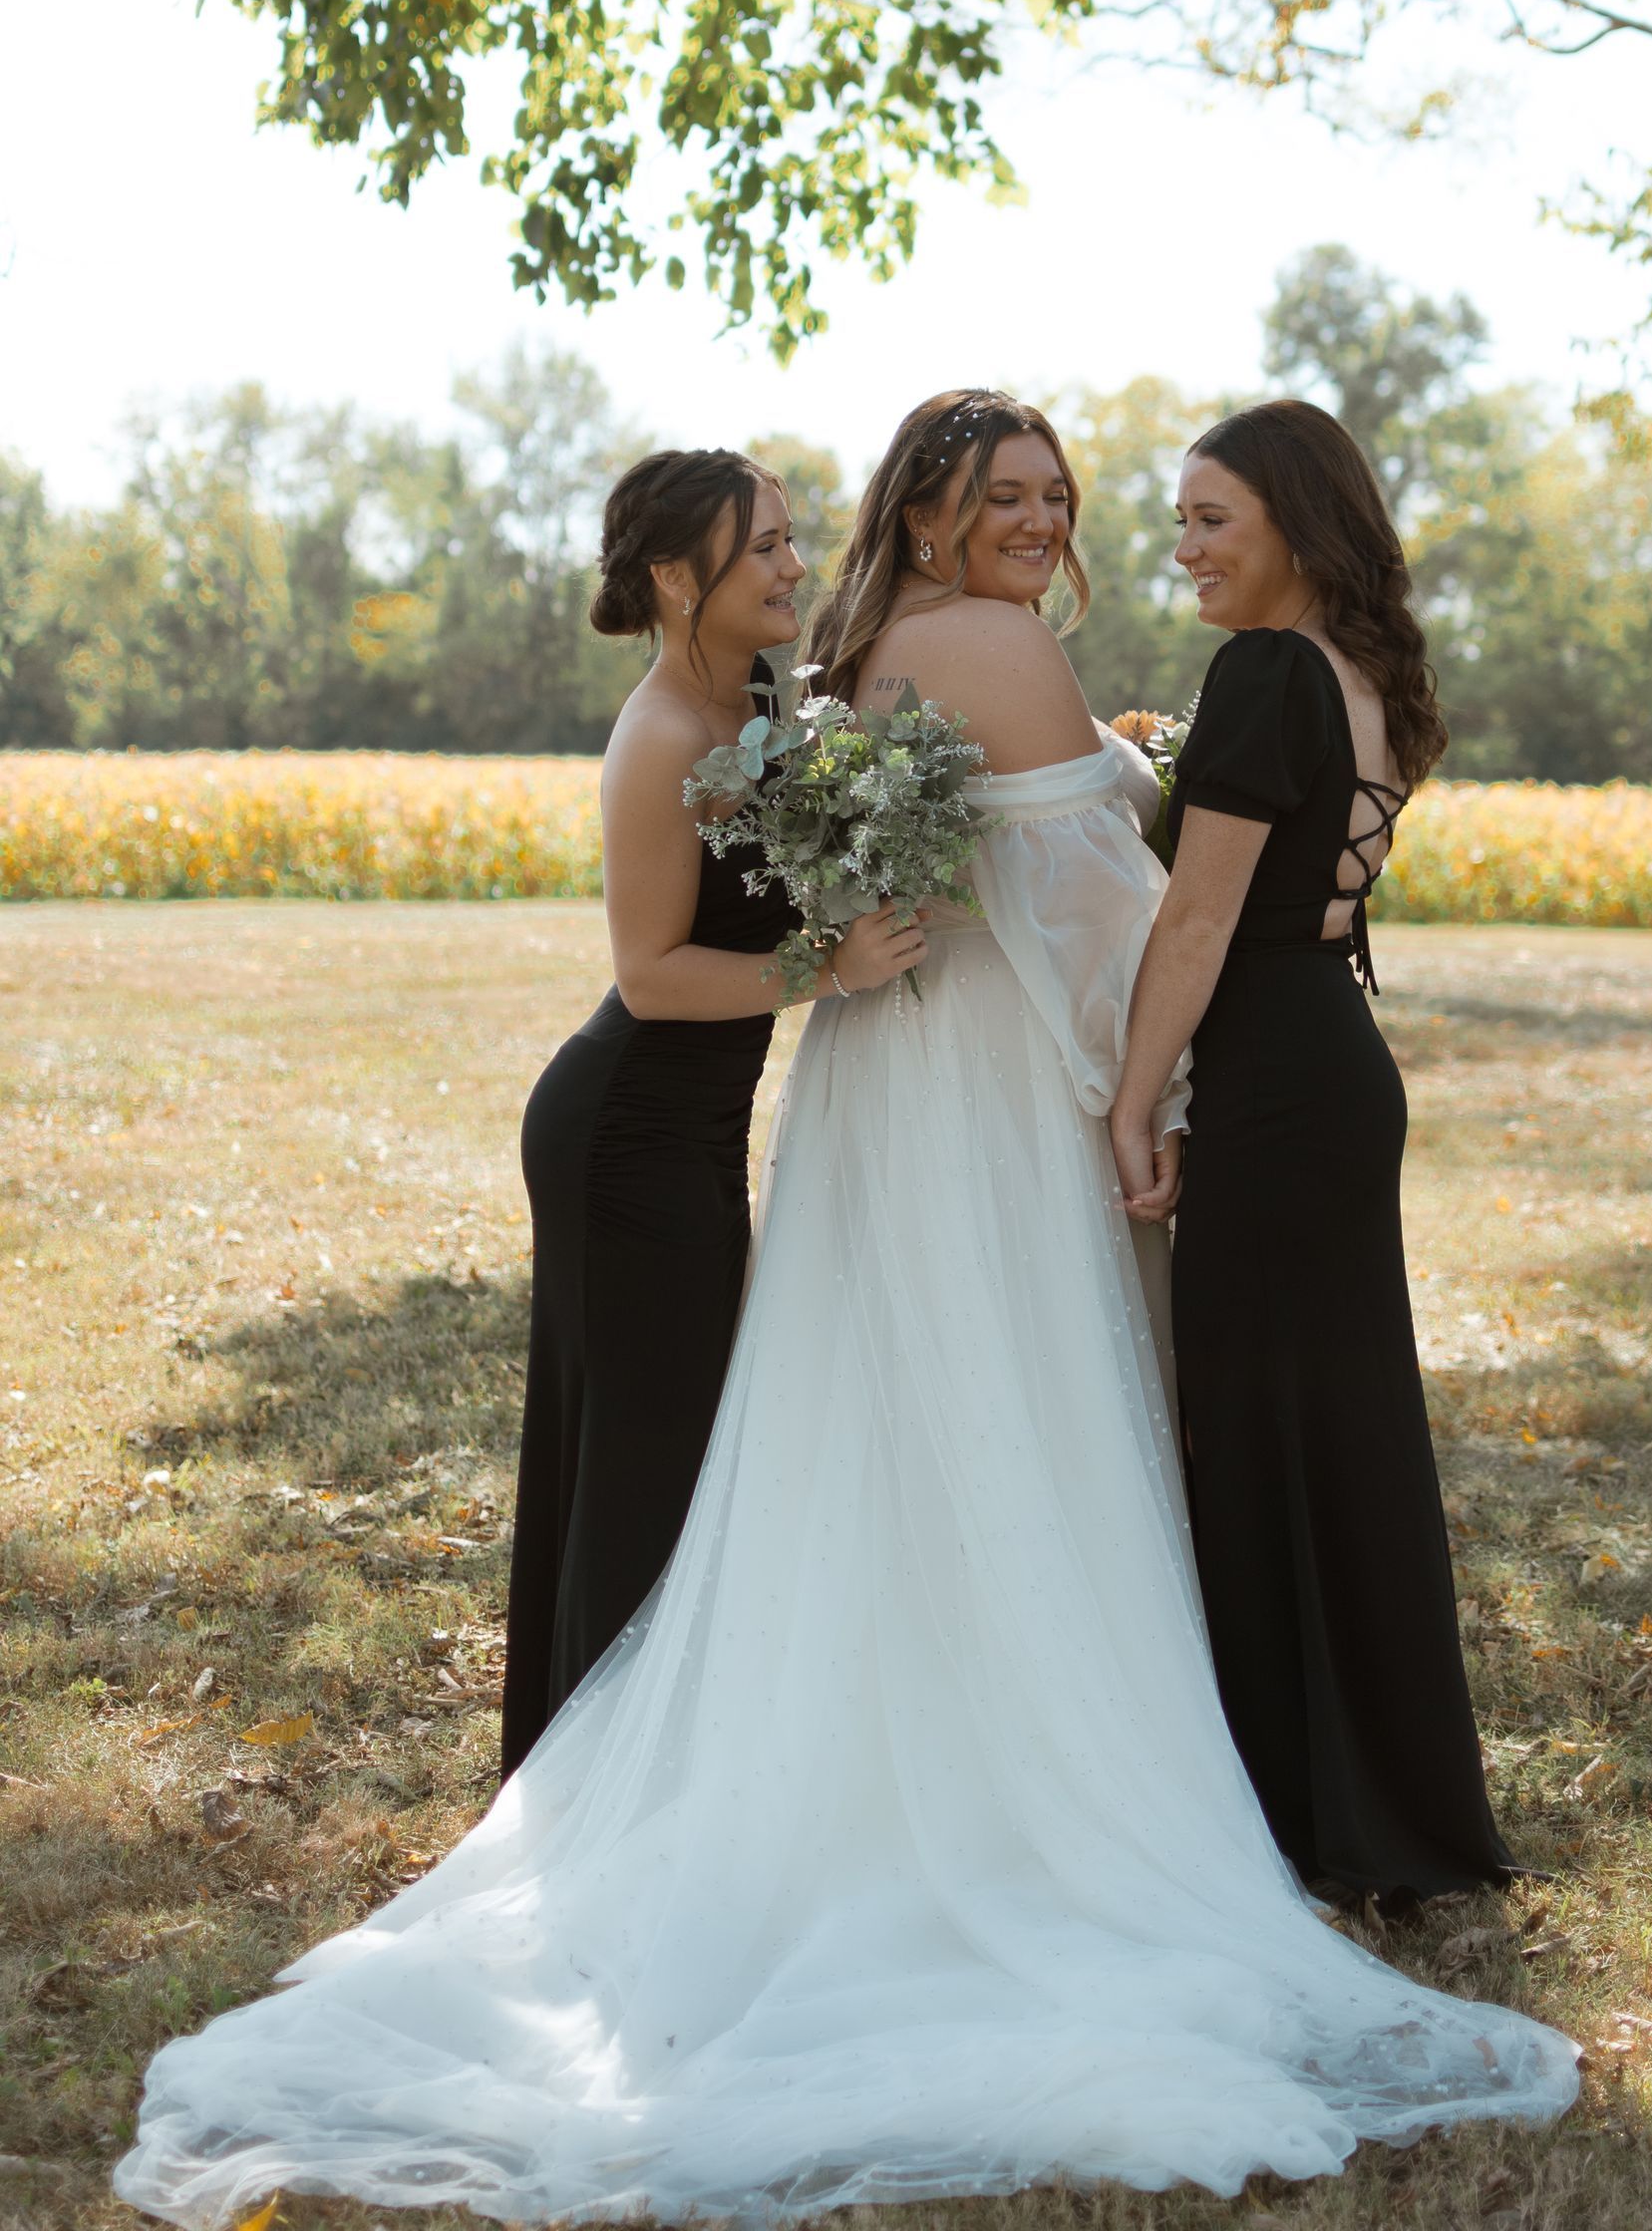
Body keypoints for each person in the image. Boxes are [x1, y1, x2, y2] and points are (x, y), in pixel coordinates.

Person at [116, 391, 1573, 2231]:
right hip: (979, 1080)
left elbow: (976, 842)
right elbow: (1091, 897)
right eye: (1006, 497)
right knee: (1017, 1391)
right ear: (939, 510)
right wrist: (1146, 1075)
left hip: (875, 1084)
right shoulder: (996, 647)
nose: (1042, 521)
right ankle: (1032, 1762)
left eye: (1059, 496)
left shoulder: (857, 651)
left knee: (871, 1399)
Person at [1111, 398, 1514, 1904]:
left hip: (1278, 1078)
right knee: (1341, 1440)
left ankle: (1303, 1814)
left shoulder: (1267, 670)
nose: (1187, 548)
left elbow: (1200, 916)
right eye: (1179, 522)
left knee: (1256, 1437)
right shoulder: (1364, 676)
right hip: (1336, 1065)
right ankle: (1381, 1804)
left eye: (1214, 517)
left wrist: (1134, 1097)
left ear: (1295, 518)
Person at [501, 449, 923, 1775]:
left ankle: (653, 1752)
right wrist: (824, 970)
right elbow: (651, 971)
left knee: (678, 1438)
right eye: (765, 548)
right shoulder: (664, 738)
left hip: (687, 1135)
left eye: (794, 540)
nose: (796, 566)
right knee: (645, 1450)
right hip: (622, 1138)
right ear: (679, 577)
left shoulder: (752, 698)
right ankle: (593, 1771)